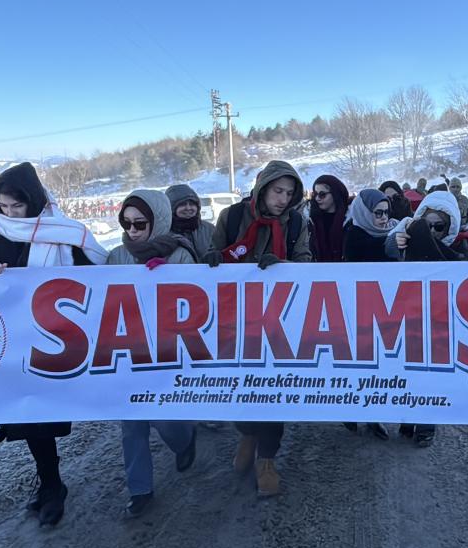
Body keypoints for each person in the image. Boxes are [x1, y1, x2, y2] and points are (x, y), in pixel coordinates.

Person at [0, 162, 109, 528]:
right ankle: (51, 483)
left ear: (33, 200)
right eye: (3, 206)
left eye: (17, 205)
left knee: (57, 404)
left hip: (65, 335)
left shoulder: (68, 232)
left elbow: (100, 275)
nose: (10, 213)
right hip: (18, 335)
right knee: (32, 410)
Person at [215, 160, 312, 497]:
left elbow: (306, 262)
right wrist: (212, 261)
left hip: (278, 319)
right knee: (241, 384)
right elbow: (212, 255)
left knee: (273, 388)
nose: (283, 199)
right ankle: (247, 434)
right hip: (236, 317)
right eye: (277, 191)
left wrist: (283, 267)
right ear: (262, 188)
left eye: (289, 193)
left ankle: (266, 460)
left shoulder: (297, 222)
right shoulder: (231, 217)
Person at [106, 189, 199, 517]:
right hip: (129, 350)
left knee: (163, 415)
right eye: (126, 223)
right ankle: (140, 489)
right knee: (132, 423)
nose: (132, 231)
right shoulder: (117, 256)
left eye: (140, 224)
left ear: (157, 221)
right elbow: (100, 295)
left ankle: (184, 439)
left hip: (167, 350)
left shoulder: (180, 255)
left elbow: (196, 301)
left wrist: (168, 280)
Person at [385, 189, 468, 447]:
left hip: (440, 324)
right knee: (408, 372)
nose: (432, 231)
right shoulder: (405, 238)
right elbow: (384, 254)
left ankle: (425, 426)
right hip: (408, 319)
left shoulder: (460, 249)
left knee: (432, 377)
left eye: (439, 227)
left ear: (450, 227)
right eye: (428, 225)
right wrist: (395, 243)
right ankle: (407, 419)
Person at [340, 188, 396, 440]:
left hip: (386, 309)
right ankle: (351, 409)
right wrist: (393, 242)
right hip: (359, 310)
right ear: (364, 212)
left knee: (380, 366)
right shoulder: (354, 233)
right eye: (378, 213)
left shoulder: (391, 230)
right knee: (358, 365)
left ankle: (374, 415)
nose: (384, 218)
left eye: (386, 212)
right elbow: (371, 251)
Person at [166, 183, 217, 259]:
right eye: (182, 204)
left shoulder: (209, 229)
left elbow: (219, 248)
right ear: (172, 208)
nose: (188, 208)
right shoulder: (164, 231)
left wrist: (215, 255)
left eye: (192, 204)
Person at [308, 174, 350, 263]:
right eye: (315, 194)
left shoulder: (350, 221)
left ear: (335, 194)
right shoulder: (309, 220)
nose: (317, 198)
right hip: (316, 269)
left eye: (322, 194)